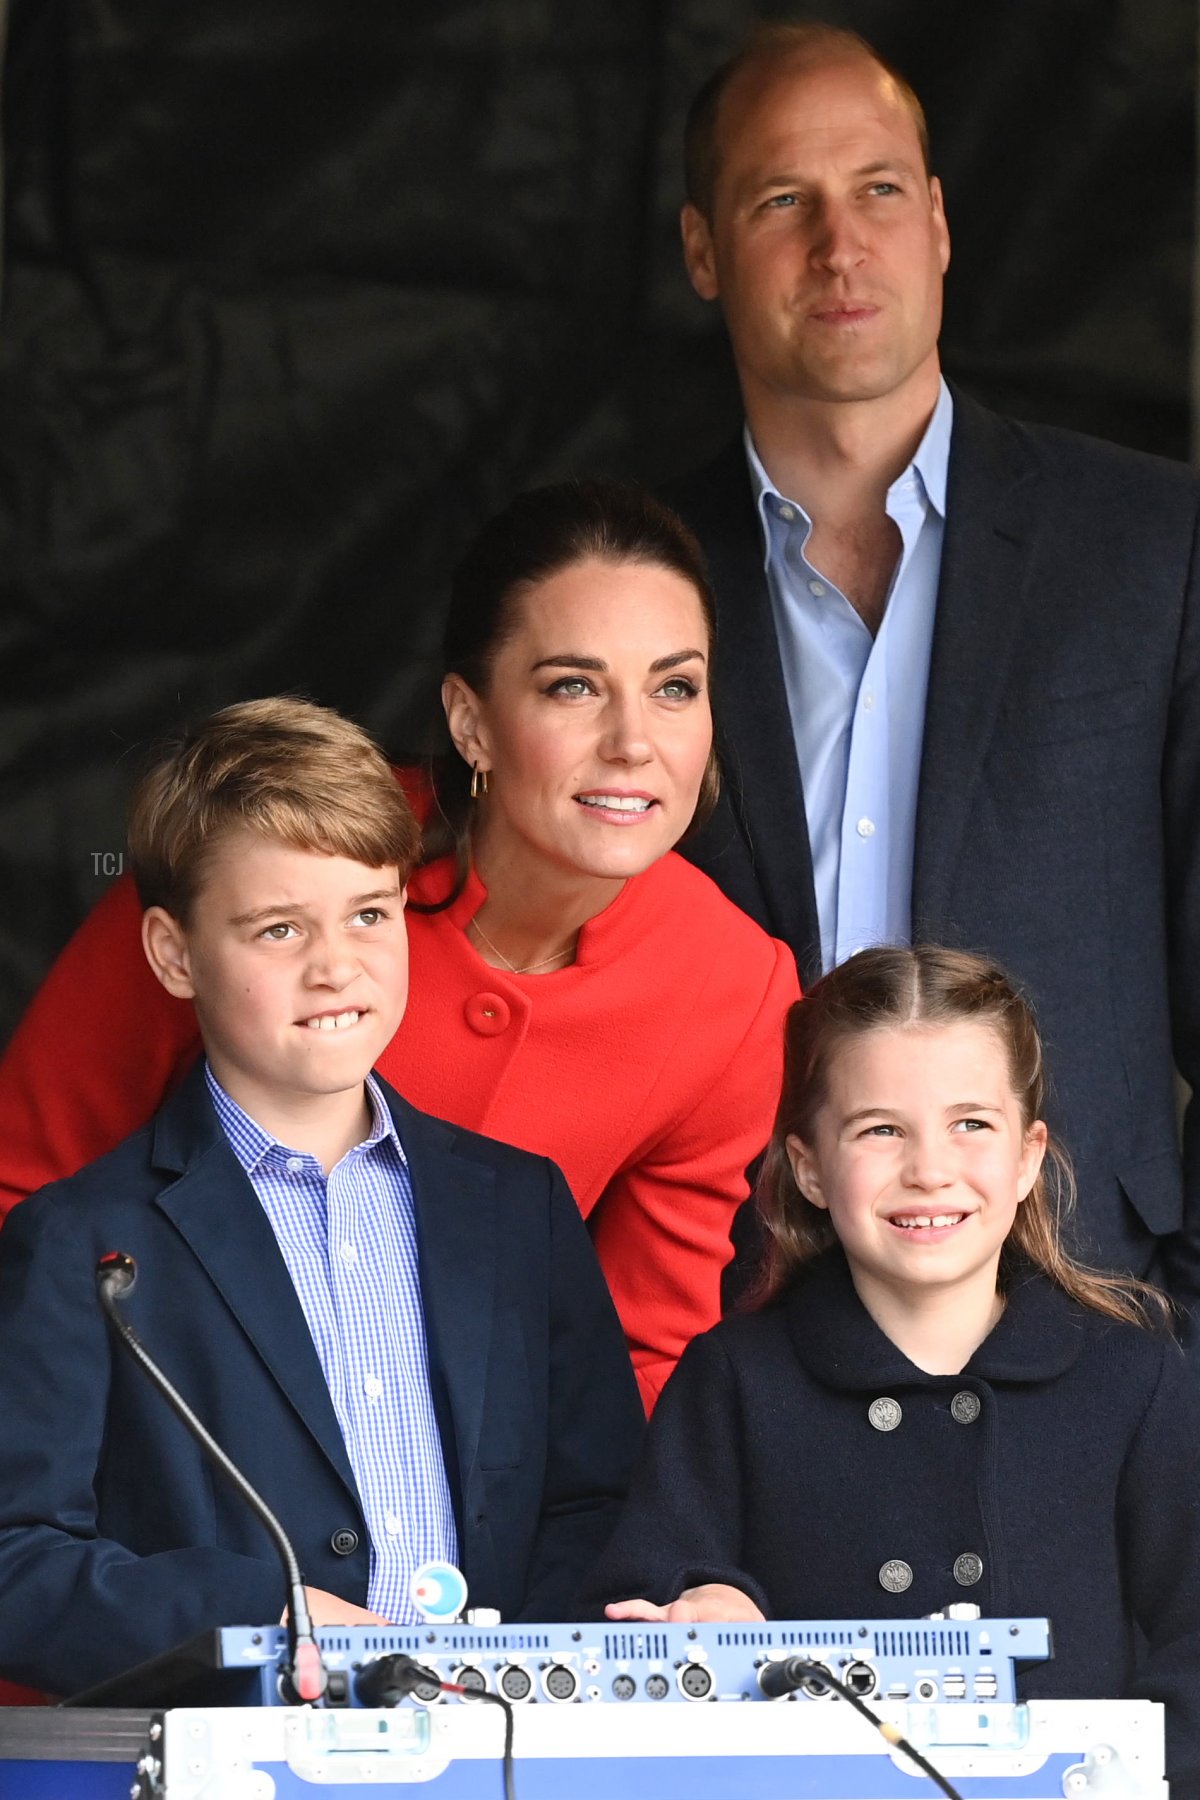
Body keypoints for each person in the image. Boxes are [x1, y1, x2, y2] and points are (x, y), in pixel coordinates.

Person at [0, 480, 800, 1410]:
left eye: (674, 688)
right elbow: (22, 1194)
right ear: (471, 721)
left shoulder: (737, 992)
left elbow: (640, 1358)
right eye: (573, 686)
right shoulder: (262, 860)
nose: (633, 742)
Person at [664, 22, 1200, 1300]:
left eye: (880, 191)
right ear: (702, 251)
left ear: (941, 223)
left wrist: (1183, 1328)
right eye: (782, 200)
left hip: (1085, 1306)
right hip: (733, 1313)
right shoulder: (633, 575)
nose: (839, 246)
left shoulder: (1154, 543)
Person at [0, 698, 644, 1698]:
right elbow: (18, 1563)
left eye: (370, 914)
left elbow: (600, 1504)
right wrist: (260, 1613)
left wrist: (514, 1681)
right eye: (279, 929)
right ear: (174, 954)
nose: (336, 966)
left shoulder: (520, 1209)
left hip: (499, 1742)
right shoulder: (81, 1240)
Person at [589, 947, 1200, 1791]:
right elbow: (636, 1600)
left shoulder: (1132, 1380)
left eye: (971, 1124)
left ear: (1028, 1156)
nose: (929, 1171)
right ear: (808, 1165)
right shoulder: (733, 1379)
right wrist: (703, 1602)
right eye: (880, 1129)